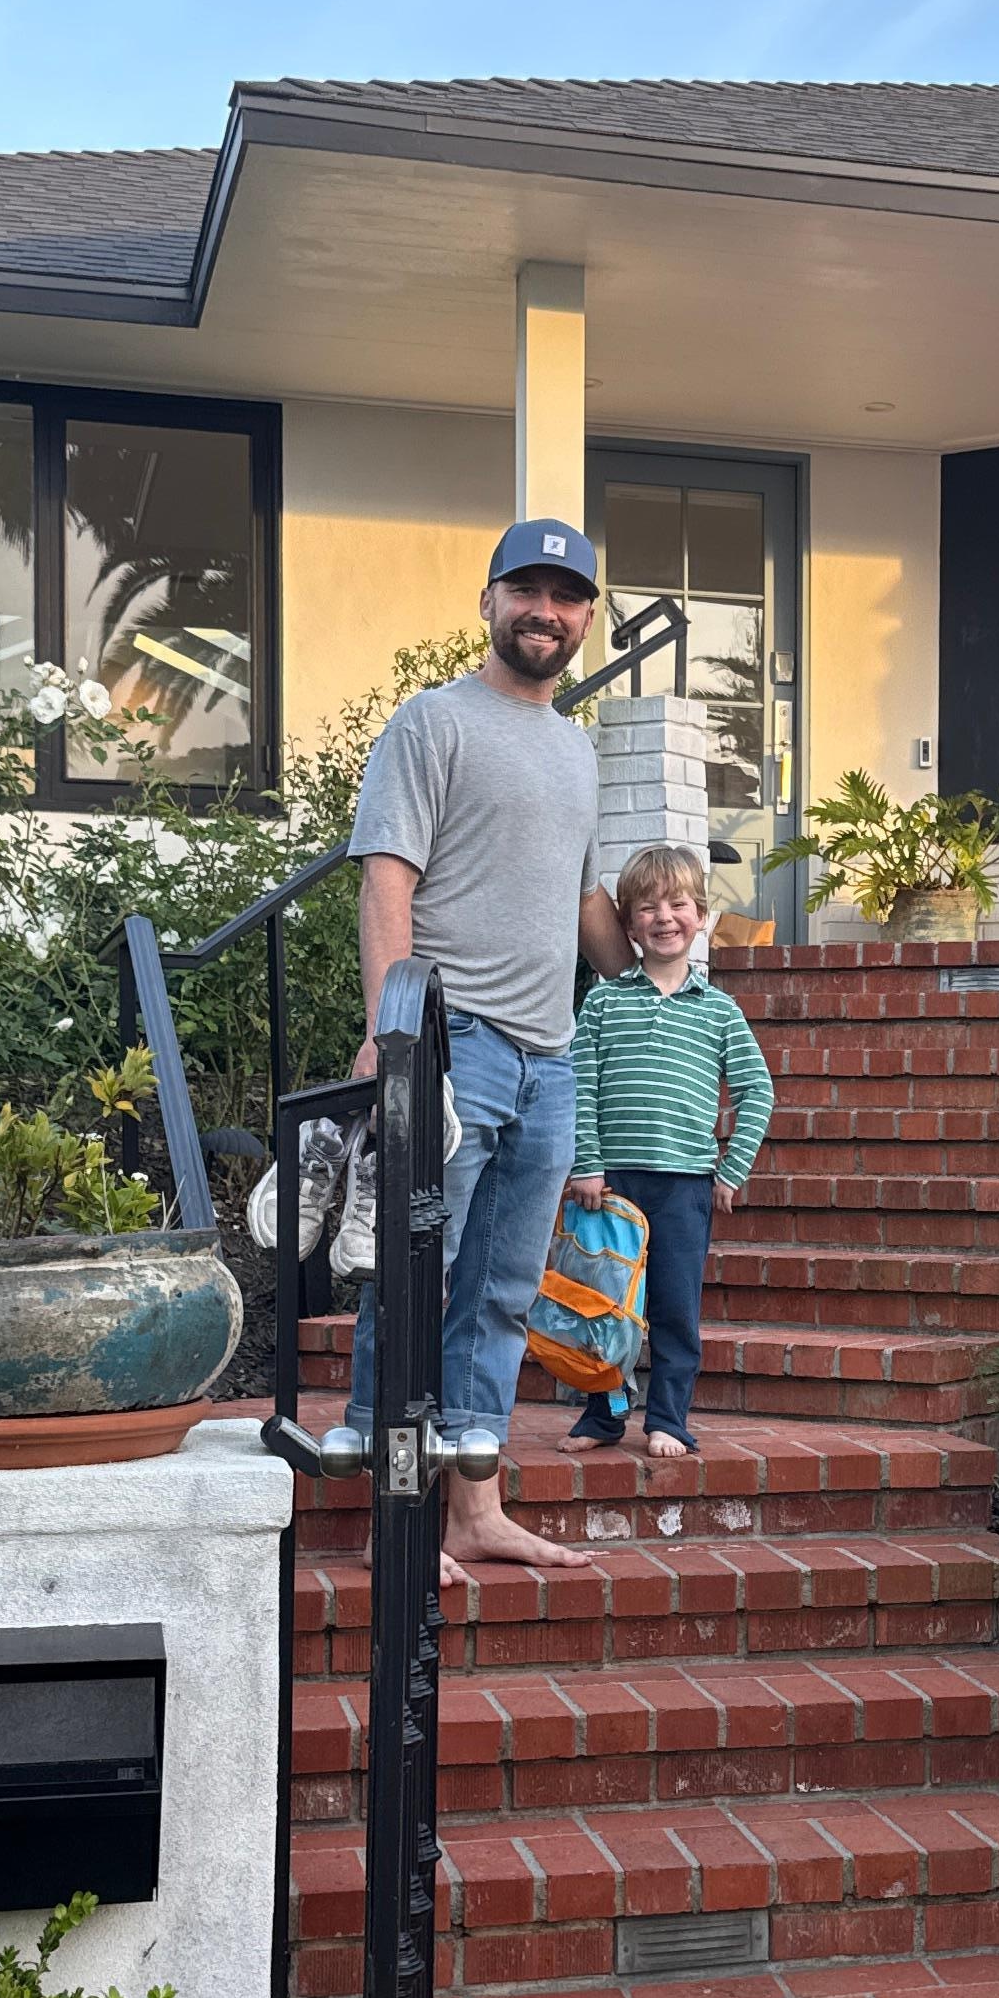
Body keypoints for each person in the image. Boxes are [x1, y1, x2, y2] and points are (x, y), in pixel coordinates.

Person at [347, 520, 631, 1576]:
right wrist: (396, 1035)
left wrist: (657, 950)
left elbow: (586, 906)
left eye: (567, 596)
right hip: (451, 1041)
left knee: (504, 1293)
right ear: (489, 601)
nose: (544, 612)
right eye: (527, 589)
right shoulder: (434, 723)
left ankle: (477, 1508)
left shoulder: (575, 748)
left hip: (547, 1058)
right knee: (415, 1281)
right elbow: (386, 881)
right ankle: (398, 1515)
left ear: (588, 619)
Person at [564, 844, 774, 1457]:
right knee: (606, 1306)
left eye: (678, 904)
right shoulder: (605, 1002)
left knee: (675, 1307)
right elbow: (581, 1086)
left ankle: (668, 1419)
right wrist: (587, 1163)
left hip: (685, 1184)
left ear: (701, 916)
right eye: (647, 908)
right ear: (628, 925)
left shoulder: (719, 1012)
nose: (664, 917)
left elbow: (758, 1091)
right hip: (612, 1182)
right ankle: (603, 1415)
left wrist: (731, 1170)